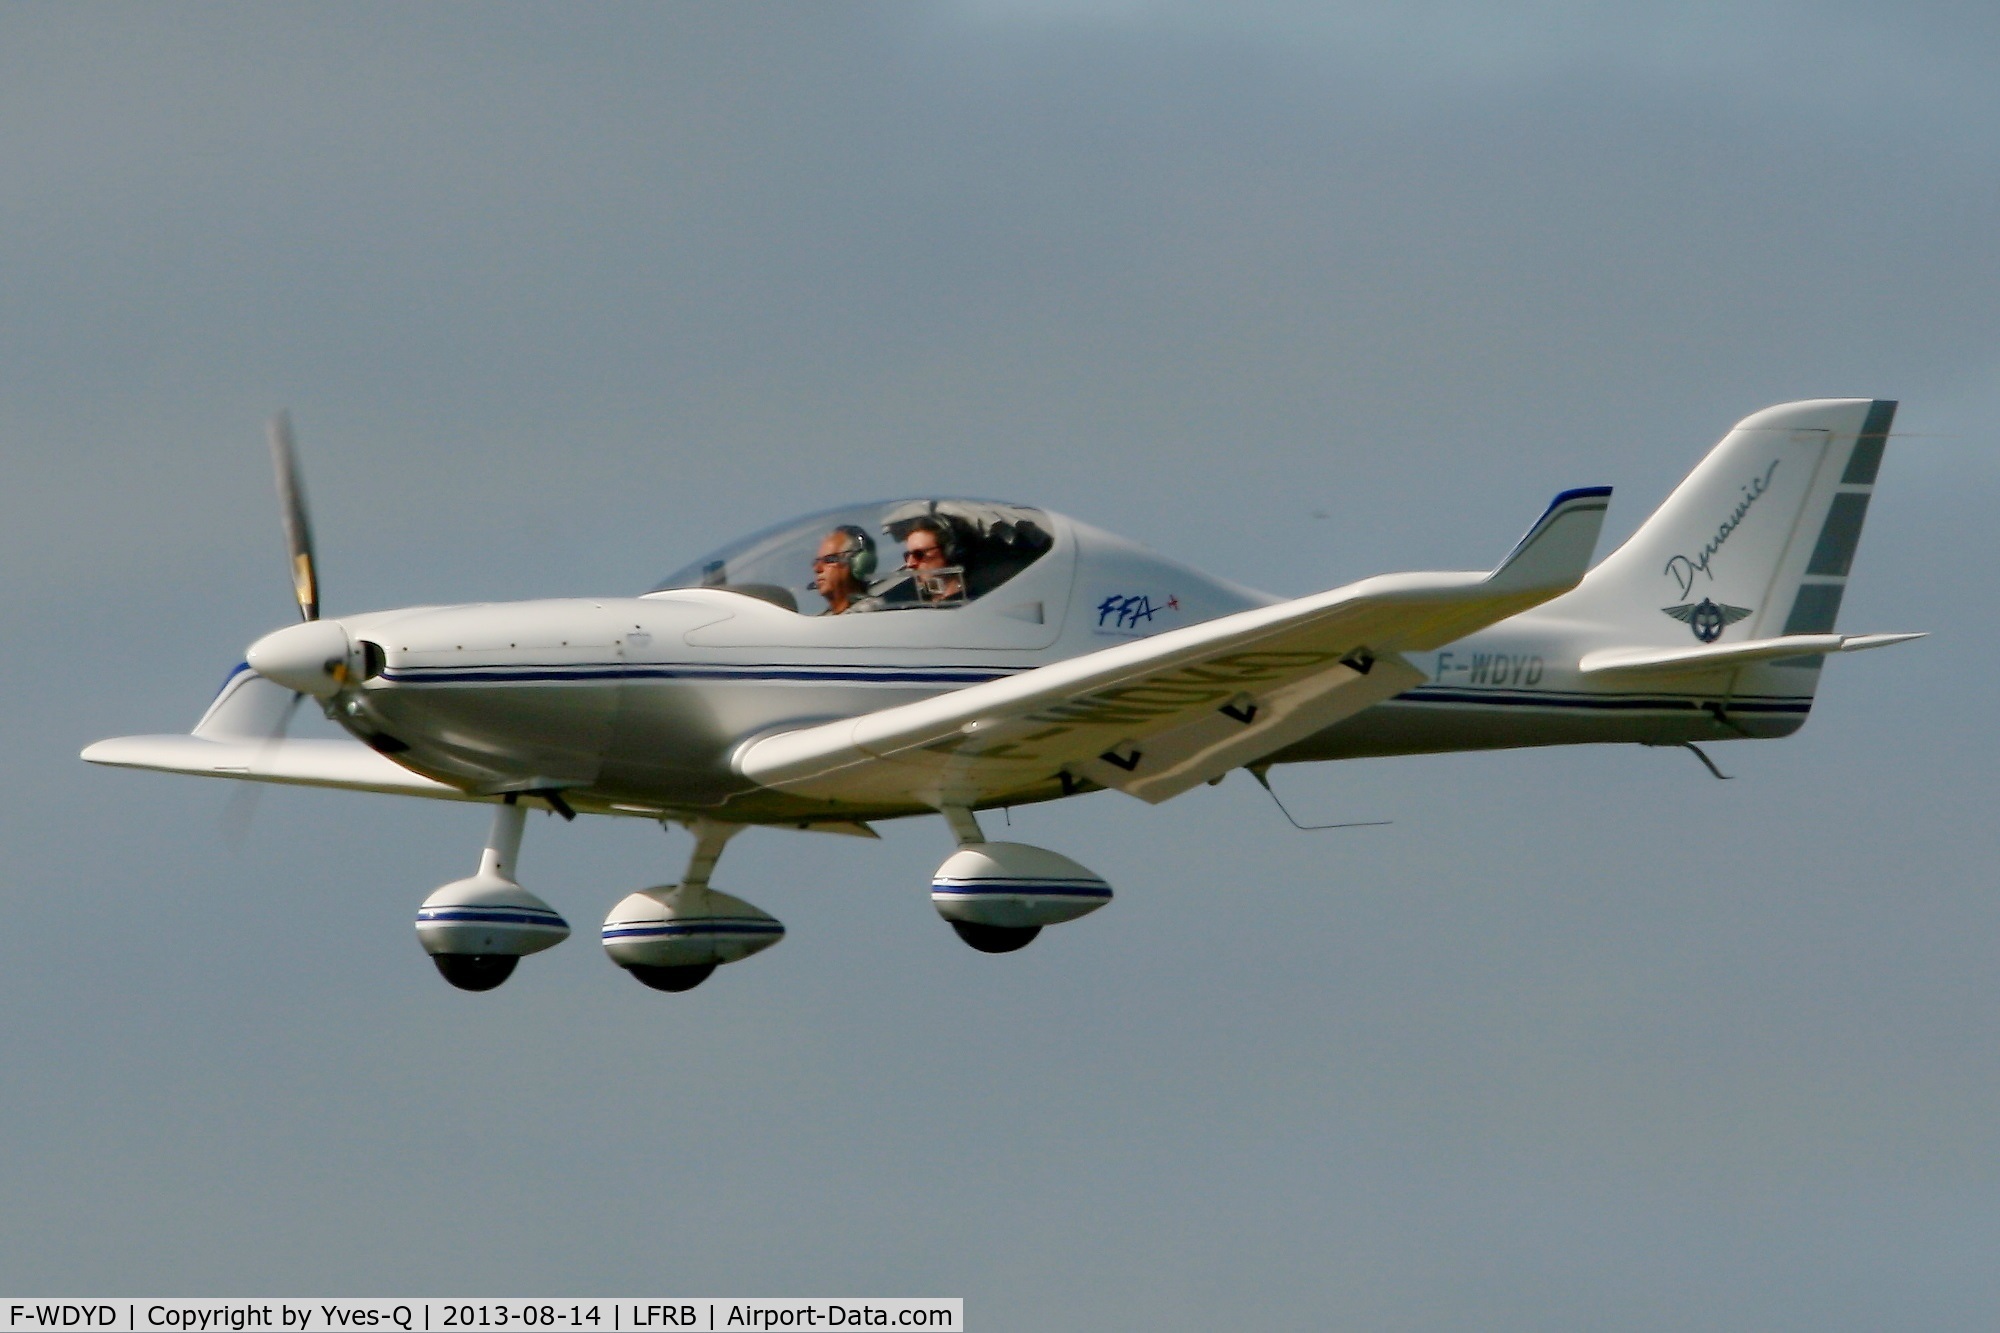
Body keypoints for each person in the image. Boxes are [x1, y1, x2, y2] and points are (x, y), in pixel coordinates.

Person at [811, 525, 877, 614]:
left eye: (829, 560)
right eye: (817, 561)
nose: (817, 568)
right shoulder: (828, 622)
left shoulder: (872, 615)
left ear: (857, 563)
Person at [901, 518, 965, 604]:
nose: (910, 564)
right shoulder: (917, 607)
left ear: (948, 552)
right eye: (907, 556)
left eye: (919, 554)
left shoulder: (976, 596)